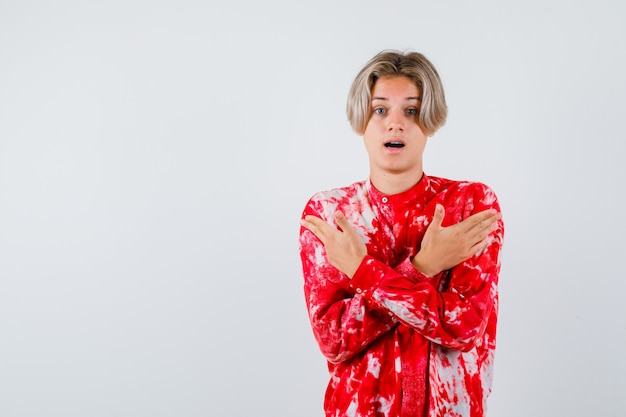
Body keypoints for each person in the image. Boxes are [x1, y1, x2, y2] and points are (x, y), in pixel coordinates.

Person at [298, 50, 504, 417]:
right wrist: (425, 266)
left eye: (410, 110)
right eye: (380, 110)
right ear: (362, 119)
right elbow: (333, 340)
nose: (395, 124)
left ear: (430, 120)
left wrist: (364, 272)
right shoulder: (331, 215)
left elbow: (463, 329)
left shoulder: (471, 206)